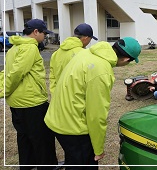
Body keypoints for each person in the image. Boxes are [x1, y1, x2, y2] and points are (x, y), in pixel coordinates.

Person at [44, 37, 141, 168]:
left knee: (72, 161)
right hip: (73, 128)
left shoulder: (87, 52)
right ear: (126, 59)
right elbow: (96, 115)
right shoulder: (101, 71)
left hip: (57, 118)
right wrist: (98, 148)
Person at [4, 19, 57, 169]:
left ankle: (27, 165)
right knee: (42, 139)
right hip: (31, 102)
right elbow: (16, 73)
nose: (45, 36)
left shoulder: (14, 47)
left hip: (16, 102)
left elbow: (8, 72)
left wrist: (6, 92)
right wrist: (5, 90)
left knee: (24, 138)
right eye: (44, 33)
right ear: (35, 32)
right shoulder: (30, 48)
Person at [49, 23, 98, 95]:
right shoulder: (83, 54)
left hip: (58, 97)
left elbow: (52, 77)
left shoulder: (56, 53)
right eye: (90, 40)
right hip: (74, 99)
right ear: (86, 38)